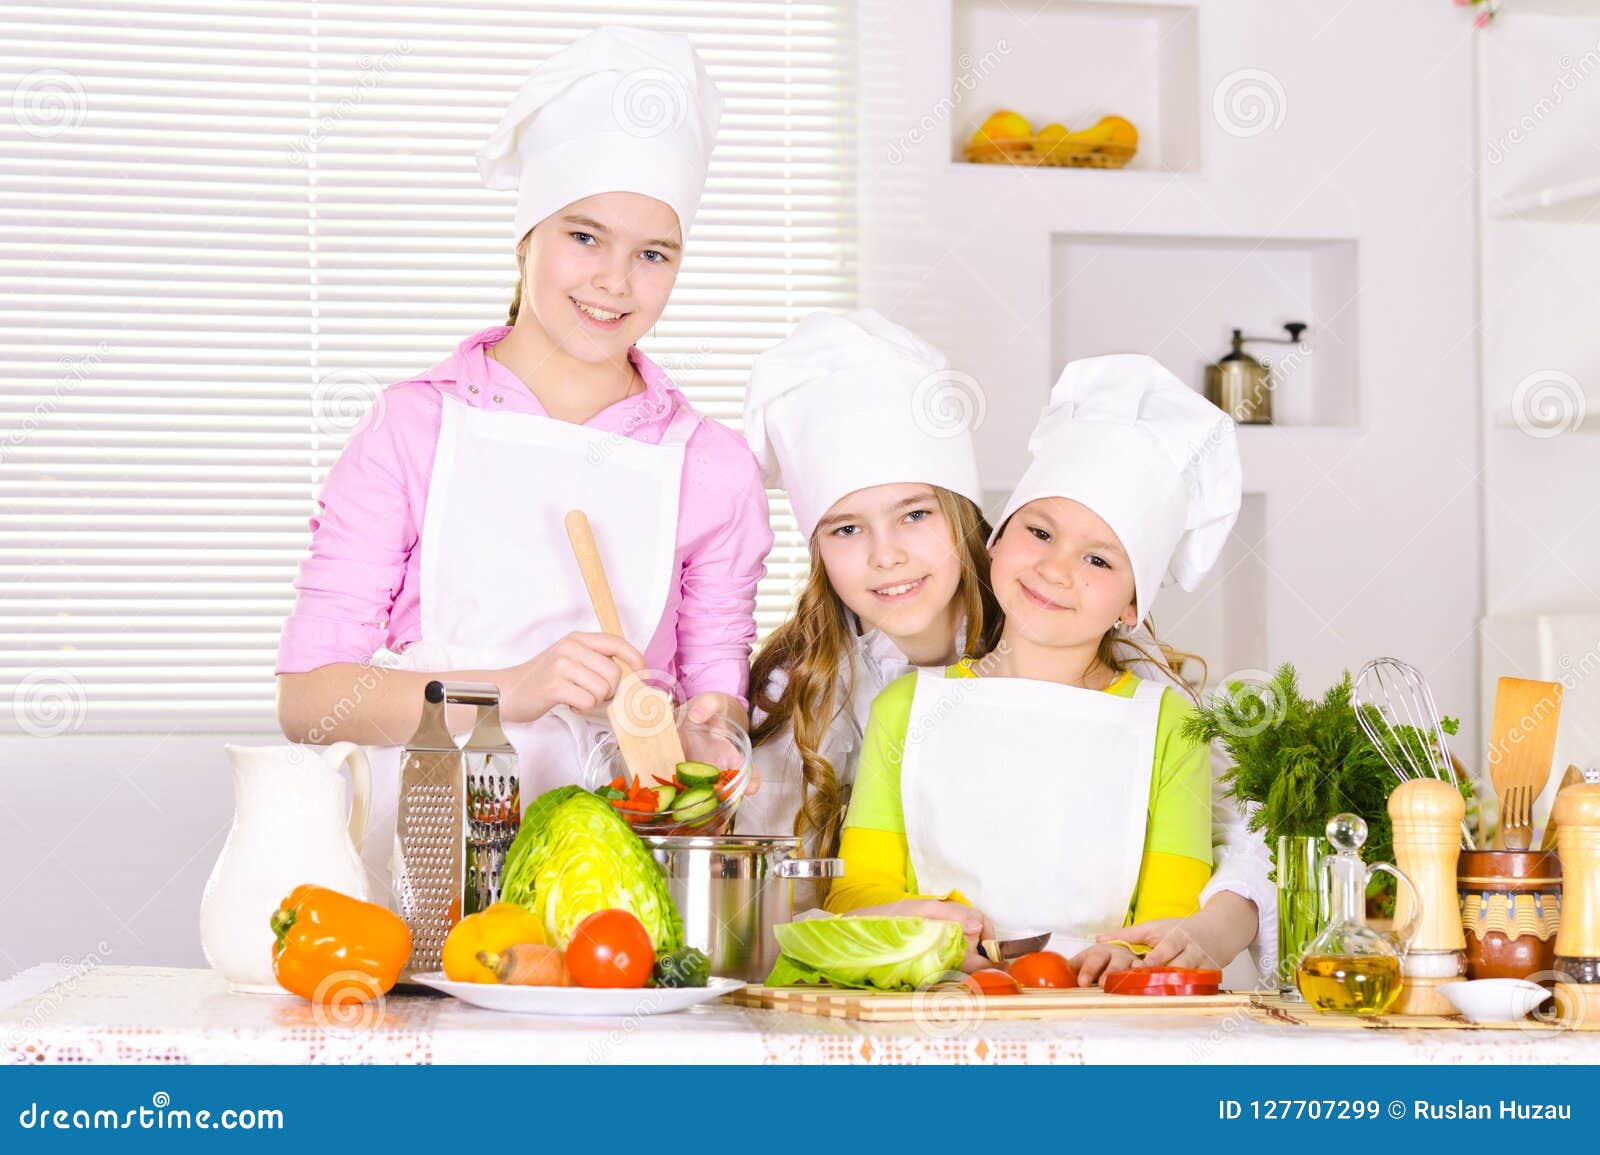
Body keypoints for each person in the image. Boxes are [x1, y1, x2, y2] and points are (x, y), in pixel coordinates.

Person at [274, 27, 770, 902]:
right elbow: (312, 703)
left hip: (622, 906)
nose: (616, 281)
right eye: (586, 236)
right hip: (429, 893)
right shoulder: (413, 427)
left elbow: (715, 696)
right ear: (526, 234)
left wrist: (710, 741)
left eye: (654, 252)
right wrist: (511, 689)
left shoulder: (714, 468)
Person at [825, 354, 1251, 985]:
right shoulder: (907, 706)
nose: (1056, 570)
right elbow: (856, 894)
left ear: (1133, 605)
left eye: (1100, 561)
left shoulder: (1168, 724)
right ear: (996, 540)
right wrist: (912, 923)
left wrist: (1131, 956)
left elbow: (1170, 915)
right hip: (935, 1004)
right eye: (1040, 532)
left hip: (1108, 1012)